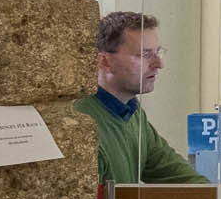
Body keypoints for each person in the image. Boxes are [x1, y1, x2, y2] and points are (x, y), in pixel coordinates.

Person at [74, 10, 206, 185]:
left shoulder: (131, 111)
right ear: (104, 61)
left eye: (158, 52)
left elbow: (175, 173)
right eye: (144, 55)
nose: (159, 64)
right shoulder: (81, 122)